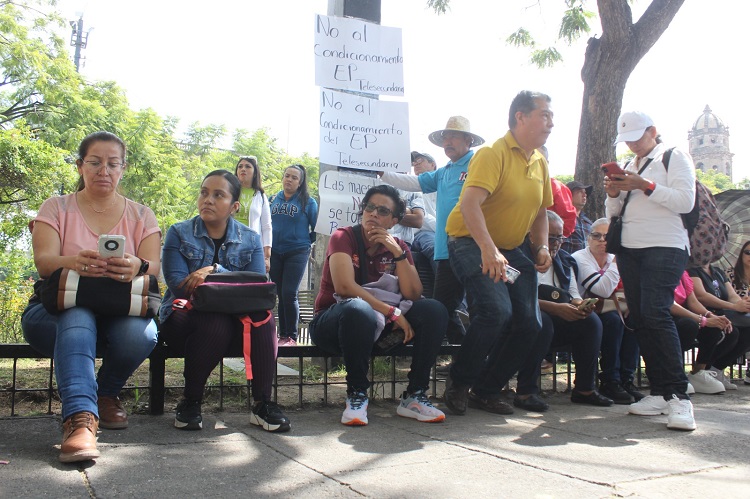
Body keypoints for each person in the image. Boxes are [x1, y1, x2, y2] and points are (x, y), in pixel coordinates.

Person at [22, 131, 161, 463]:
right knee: (78, 314)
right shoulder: (56, 207)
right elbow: (44, 263)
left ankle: (105, 394)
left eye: (113, 164)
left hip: (119, 310)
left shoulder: (142, 215)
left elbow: (154, 268)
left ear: (123, 168)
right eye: (95, 162)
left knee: (142, 333)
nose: (104, 171)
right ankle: (80, 420)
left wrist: (135, 266)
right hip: (53, 311)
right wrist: (74, 262)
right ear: (80, 165)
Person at [442, 90, 554, 416]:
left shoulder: (540, 161)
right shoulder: (493, 153)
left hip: (511, 249)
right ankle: (459, 381)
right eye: (544, 114)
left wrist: (543, 245)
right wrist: (488, 249)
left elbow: (541, 212)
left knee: (530, 324)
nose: (550, 122)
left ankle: (487, 389)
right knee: (495, 311)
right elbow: (469, 203)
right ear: (520, 116)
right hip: (469, 241)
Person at [160, 170, 290, 433]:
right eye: (204, 192)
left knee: (264, 319)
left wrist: (212, 271)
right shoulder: (179, 233)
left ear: (234, 206)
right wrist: (228, 287)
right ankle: (191, 401)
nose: (207, 199)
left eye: (218, 195)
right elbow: (179, 286)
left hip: (236, 323)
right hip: (183, 320)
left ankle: (262, 403)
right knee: (214, 321)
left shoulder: (251, 238)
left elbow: (254, 285)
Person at [309, 185, 447, 426]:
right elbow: (344, 288)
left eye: (382, 211)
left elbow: (414, 294)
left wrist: (397, 252)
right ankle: (357, 394)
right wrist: (392, 312)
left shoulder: (400, 247)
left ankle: (414, 396)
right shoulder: (343, 237)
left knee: (434, 310)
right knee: (357, 309)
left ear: (394, 221)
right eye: (370, 207)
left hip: (379, 329)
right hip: (334, 325)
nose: (373, 214)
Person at [604, 110, 697, 431]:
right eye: (626, 141)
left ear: (653, 131)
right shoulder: (630, 165)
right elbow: (615, 211)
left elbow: (685, 201)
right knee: (641, 317)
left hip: (666, 245)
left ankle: (680, 396)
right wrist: (614, 192)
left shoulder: (674, 157)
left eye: (636, 138)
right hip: (630, 247)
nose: (632, 146)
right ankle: (659, 391)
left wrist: (646, 184)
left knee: (656, 313)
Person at [380, 117, 485, 344]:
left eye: (453, 136)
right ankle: (464, 355)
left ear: (468, 140)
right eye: (444, 137)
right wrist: (383, 174)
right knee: (442, 308)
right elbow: (413, 182)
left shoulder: (480, 164)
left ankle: (475, 360)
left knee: (480, 307)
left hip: (473, 247)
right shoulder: (445, 171)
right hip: (445, 251)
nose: (447, 141)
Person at [514, 211, 611, 412]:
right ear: (534, 235)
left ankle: (585, 388)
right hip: (525, 318)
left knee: (591, 322)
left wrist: (581, 305)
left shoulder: (564, 260)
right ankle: (526, 391)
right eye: (551, 237)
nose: (556, 243)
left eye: (560, 237)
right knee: (543, 321)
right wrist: (556, 308)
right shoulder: (519, 258)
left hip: (560, 312)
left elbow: (572, 293)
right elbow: (519, 299)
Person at [573, 218, 643, 404]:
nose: (602, 240)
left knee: (634, 319)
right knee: (613, 320)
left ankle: (625, 379)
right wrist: (617, 260)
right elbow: (602, 289)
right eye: (597, 235)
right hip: (583, 312)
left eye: (608, 236)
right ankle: (610, 380)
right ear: (588, 238)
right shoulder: (580, 258)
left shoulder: (612, 259)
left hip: (614, 308)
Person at [269, 164, 318, 346]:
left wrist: (305, 240)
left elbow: (316, 229)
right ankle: (283, 335)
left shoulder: (308, 202)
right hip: (274, 252)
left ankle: (292, 336)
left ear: (300, 182)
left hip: (297, 251)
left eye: (294, 177)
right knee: (280, 294)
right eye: (286, 175)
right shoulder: (272, 199)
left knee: (290, 293)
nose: (289, 179)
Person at [687, 260, 750, 391]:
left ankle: (715, 370)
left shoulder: (718, 271)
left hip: (724, 313)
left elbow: (732, 295)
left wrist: (742, 304)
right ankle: (698, 372)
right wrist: (733, 306)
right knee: (728, 331)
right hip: (702, 313)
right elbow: (701, 296)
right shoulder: (691, 269)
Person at [670, 271, 735, 393]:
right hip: (662, 315)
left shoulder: (683, 274)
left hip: (684, 315)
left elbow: (693, 302)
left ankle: (698, 373)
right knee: (688, 326)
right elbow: (667, 303)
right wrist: (703, 320)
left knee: (716, 326)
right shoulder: (658, 268)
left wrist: (710, 316)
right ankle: (671, 372)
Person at [234, 155, 272, 273]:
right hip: (230, 244)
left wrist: (267, 255)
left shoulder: (260, 195)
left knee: (253, 284)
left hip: (252, 246)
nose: (243, 169)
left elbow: (266, 226)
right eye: (240, 166)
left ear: (255, 172)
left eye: (248, 166)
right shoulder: (229, 191)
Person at [725, 240, 750, 385]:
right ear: (741, 254)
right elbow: (728, 296)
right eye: (748, 252)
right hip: (734, 312)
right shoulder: (730, 273)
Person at [409, 152, 438, 273]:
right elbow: (422, 218)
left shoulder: (444, 186)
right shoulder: (411, 186)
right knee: (436, 248)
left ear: (433, 165)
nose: (415, 164)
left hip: (445, 231)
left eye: (420, 160)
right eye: (414, 162)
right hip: (423, 232)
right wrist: (443, 229)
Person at [561, 181, 593, 255]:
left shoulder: (589, 223)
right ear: (569, 195)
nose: (584, 195)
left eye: (585, 192)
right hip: (565, 263)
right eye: (580, 192)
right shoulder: (560, 219)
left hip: (584, 263)